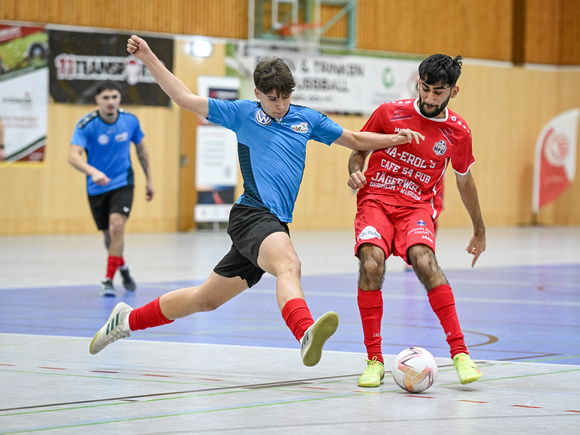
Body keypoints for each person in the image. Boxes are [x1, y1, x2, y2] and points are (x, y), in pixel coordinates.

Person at [88, 35, 424, 368]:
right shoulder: (242, 114)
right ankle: (305, 331)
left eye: (286, 97)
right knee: (288, 264)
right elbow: (184, 97)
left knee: (205, 299)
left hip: (273, 222)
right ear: (257, 94)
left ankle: (126, 321)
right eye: (273, 98)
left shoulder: (306, 119)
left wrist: (395, 138)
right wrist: (148, 56)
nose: (281, 104)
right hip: (252, 214)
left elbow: (353, 138)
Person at [347, 54, 486, 387]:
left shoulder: (458, 132)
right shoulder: (389, 113)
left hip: (417, 206)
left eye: (438, 92)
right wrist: (355, 171)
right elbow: (358, 148)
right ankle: (374, 361)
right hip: (376, 200)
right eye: (424, 88)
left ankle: (461, 354)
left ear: (454, 91)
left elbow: (464, 180)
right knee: (371, 264)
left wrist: (479, 229)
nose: (429, 98)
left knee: (424, 260)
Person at [68, 81, 155, 296]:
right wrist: (93, 172)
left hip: (123, 182)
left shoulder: (130, 121)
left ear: (119, 99)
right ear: (97, 99)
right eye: (105, 98)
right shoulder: (86, 124)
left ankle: (108, 279)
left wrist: (149, 180)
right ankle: (123, 267)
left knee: (117, 226)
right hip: (97, 187)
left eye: (114, 97)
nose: (110, 102)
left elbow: (142, 151)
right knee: (109, 236)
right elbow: (72, 155)